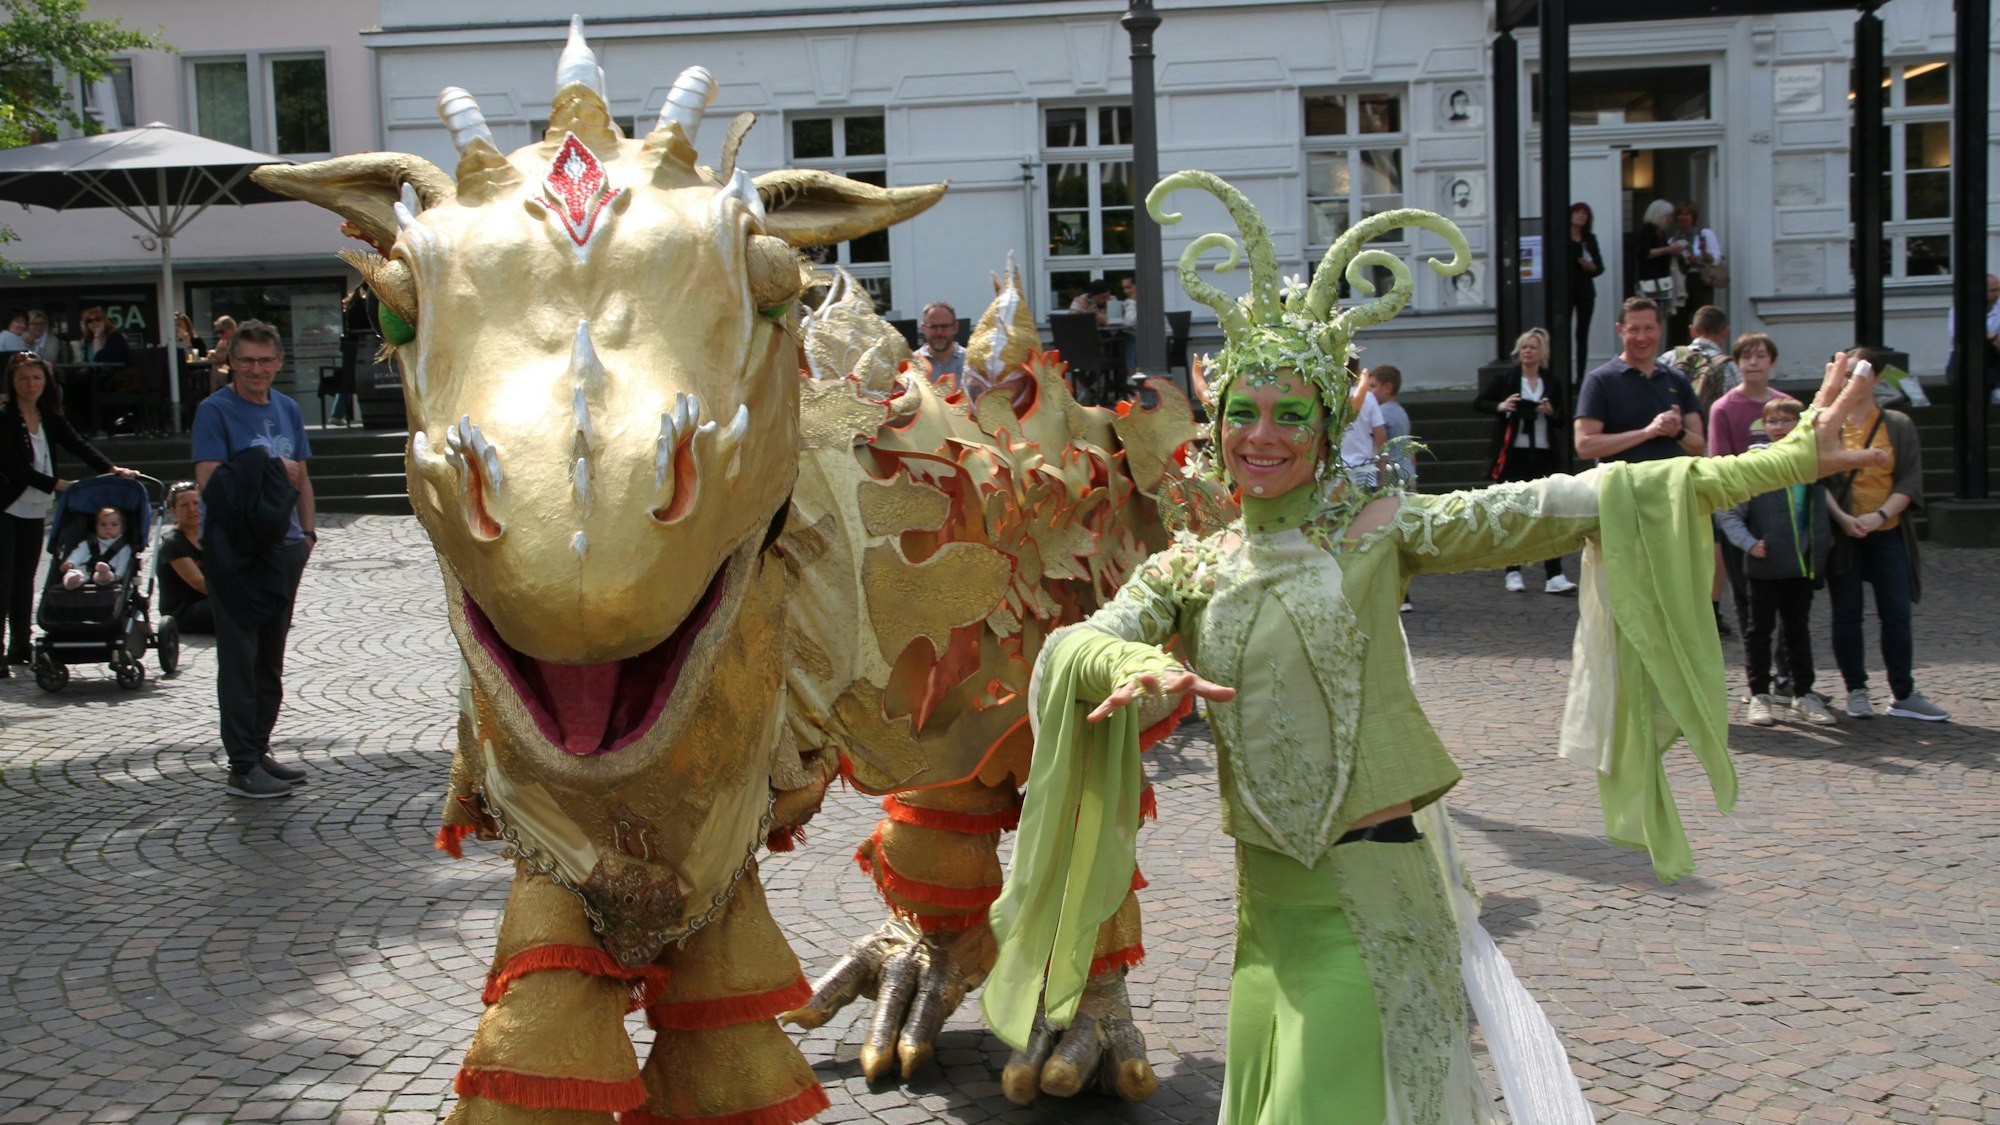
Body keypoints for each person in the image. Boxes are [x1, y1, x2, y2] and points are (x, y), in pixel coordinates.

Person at [982, 169, 1890, 1125]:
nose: (1262, 434)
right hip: (1269, 912)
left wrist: (1784, 459)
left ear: (1330, 429)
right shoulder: (1192, 565)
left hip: (1376, 895)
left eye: (1292, 413)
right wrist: (1131, 660)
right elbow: (1079, 640)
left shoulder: (1381, 531)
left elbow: (1571, 501)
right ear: (1215, 428)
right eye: (1243, 410)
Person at [192, 320, 317, 798]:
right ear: (231, 361)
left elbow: (302, 475)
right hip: (236, 552)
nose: (255, 369)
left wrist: (307, 534)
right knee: (240, 658)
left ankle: (260, 748)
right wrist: (266, 468)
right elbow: (209, 479)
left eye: (265, 361)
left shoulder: (287, 408)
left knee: (270, 657)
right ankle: (242, 763)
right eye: (246, 360)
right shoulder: (214, 411)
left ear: (279, 363)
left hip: (285, 549)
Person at [1824, 360, 1946, 721]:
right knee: (1847, 614)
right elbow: (1817, 477)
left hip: (1887, 530)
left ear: (1875, 379)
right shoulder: (1829, 424)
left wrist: (1878, 516)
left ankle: (1903, 691)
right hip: (1843, 531)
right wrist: (1844, 519)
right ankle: (1856, 689)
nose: (1854, 381)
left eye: (1860, 374)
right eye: (1846, 376)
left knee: (1896, 611)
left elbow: (1909, 480)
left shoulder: (1898, 425)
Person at [0, 353, 127, 675]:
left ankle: (20, 644)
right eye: (24, 379)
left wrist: (111, 469)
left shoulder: (48, 414)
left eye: (37, 378)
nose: (31, 385)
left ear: (46, 382)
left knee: (25, 577)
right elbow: (13, 467)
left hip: (33, 505)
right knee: (4, 577)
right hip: (5, 503)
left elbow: (77, 444)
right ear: (12, 382)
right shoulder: (4, 417)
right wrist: (59, 484)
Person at [1715, 400, 1836, 726]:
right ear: (1764, 426)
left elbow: (1821, 508)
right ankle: (1759, 695)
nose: (1780, 426)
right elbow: (1727, 510)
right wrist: (1748, 543)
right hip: (1764, 564)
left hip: (1800, 563)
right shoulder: (1755, 464)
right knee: (1759, 631)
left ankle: (1803, 693)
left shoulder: (1811, 465)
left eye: (1787, 420)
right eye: (1774, 421)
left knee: (1798, 631)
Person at [1476, 328, 1576, 594]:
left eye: (1532, 347)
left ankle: (1553, 574)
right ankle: (1513, 570)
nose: (1528, 352)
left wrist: (1549, 411)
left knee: (1548, 511)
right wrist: (1502, 406)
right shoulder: (1508, 378)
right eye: (1524, 347)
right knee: (1514, 511)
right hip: (1513, 453)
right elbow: (1480, 402)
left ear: (1542, 352)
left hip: (1544, 453)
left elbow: (1563, 418)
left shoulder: (1551, 381)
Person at [1575, 296, 1705, 464]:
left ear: (1660, 328)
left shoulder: (1677, 379)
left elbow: (1699, 446)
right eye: (1633, 330)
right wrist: (1646, 433)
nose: (1642, 338)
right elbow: (1584, 446)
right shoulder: (1599, 381)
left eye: (1649, 329)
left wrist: (1676, 431)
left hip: (1670, 487)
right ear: (1620, 330)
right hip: (1622, 487)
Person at [1663, 304, 1739, 417]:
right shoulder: (1729, 367)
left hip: (1672, 429)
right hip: (1710, 432)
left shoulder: (1668, 358)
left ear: (1692, 330)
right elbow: (1738, 408)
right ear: (1726, 332)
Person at [158, 480, 213, 633]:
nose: (192, 510)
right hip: (184, 611)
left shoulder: (210, 535)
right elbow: (199, 584)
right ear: (174, 510)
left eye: (196, 503)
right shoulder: (173, 543)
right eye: (184, 505)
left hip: (210, 600)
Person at [1942, 272, 2000, 405]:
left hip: (1993, 356)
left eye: (1999, 289)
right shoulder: (1960, 308)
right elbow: (1957, 338)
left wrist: (1992, 337)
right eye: (1993, 290)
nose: (1998, 294)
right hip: (1965, 355)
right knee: (1958, 378)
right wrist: (1989, 336)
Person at [1568, 202, 1605, 386]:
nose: (1581, 216)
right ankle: (1563, 372)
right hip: (1565, 291)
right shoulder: (1562, 237)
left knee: (1582, 334)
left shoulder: (1589, 239)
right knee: (1562, 333)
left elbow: (1600, 267)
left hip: (1585, 291)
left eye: (1585, 213)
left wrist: (1591, 267)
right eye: (1578, 212)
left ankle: (1580, 377)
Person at [1674, 202, 1721, 343]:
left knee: (1703, 317)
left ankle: (1705, 348)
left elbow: (1716, 258)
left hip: (1701, 280)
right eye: (1680, 214)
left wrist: (1701, 255)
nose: (1683, 217)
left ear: (1693, 216)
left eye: (1686, 214)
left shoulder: (1704, 234)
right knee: (1679, 320)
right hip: (1682, 279)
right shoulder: (1675, 237)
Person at [58, 506, 133, 589]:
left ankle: (103, 575)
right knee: (74, 572)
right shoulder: (90, 542)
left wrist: (119, 574)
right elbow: (78, 553)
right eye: (103, 524)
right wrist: (71, 562)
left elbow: (123, 563)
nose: (108, 528)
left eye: (114, 525)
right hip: (86, 568)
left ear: (122, 528)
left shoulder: (123, 547)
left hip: (109, 570)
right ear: (96, 527)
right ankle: (71, 581)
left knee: (106, 576)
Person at [1634, 200, 1687, 316]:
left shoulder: (1661, 233)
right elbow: (1645, 252)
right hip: (1649, 280)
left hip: (1661, 280)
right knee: (1651, 310)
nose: (1670, 220)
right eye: (1667, 216)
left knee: (1660, 312)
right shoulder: (1647, 230)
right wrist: (1669, 249)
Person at [913, 301, 966, 386]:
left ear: (955, 328)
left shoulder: (971, 362)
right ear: (923, 328)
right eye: (933, 326)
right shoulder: (911, 364)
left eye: (945, 326)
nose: (939, 332)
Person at [206, 315, 237, 390]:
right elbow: (219, 359)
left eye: (221, 332)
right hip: (228, 371)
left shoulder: (238, 342)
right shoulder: (222, 342)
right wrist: (214, 356)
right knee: (209, 372)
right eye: (217, 332)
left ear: (230, 329)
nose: (219, 335)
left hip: (237, 372)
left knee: (212, 375)